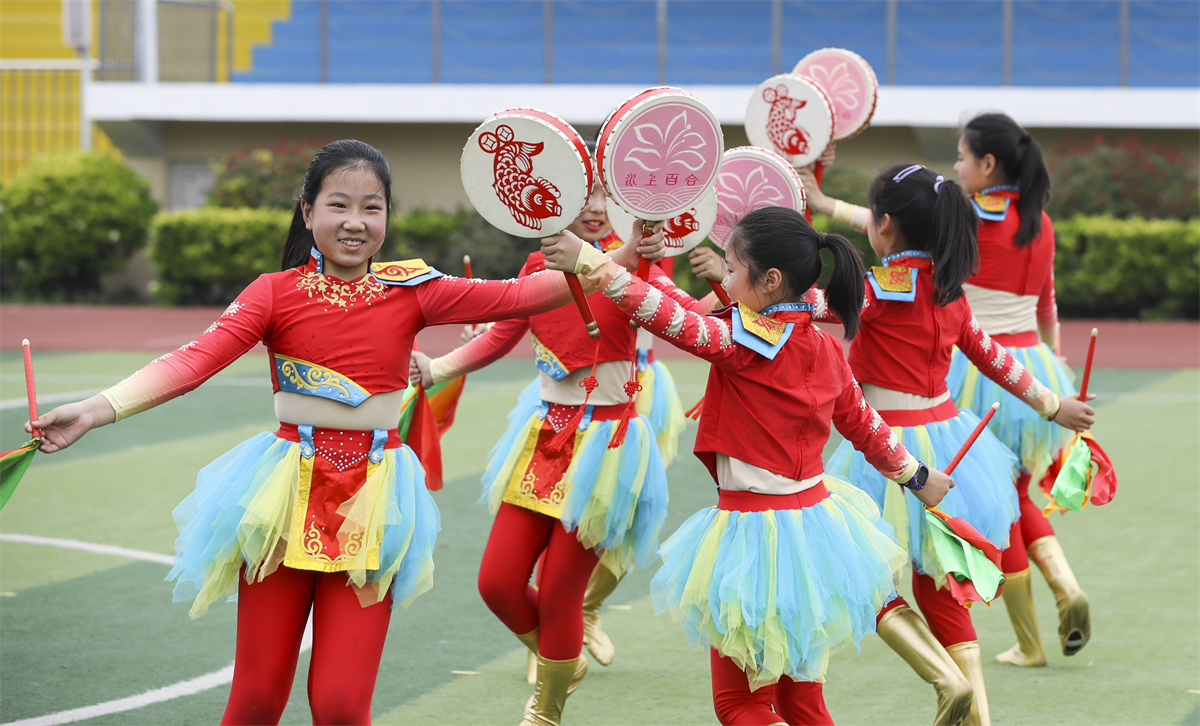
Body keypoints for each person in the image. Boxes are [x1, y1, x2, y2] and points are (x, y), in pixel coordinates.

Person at [23, 139, 637, 726]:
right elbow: (193, 360)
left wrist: (622, 255)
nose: (355, 221)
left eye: (372, 207)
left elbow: (524, 295)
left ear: (388, 217)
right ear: (308, 210)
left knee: (342, 707)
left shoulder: (415, 290)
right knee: (256, 702)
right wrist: (97, 409)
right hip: (283, 503)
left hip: (371, 509)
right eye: (338, 204)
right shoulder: (273, 293)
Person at [544, 205, 956, 726]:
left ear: (771, 280)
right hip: (817, 533)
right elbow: (867, 426)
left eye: (733, 270)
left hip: (754, 538)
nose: (724, 279)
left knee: (740, 704)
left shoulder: (744, 341)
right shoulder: (822, 347)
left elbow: (666, 318)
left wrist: (595, 264)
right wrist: (919, 477)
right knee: (802, 704)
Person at [795, 163, 1094, 726]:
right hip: (952, 447)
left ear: (883, 226)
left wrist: (743, 276)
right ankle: (976, 713)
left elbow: (799, 304)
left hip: (887, 451)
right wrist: (1055, 405)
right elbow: (996, 359)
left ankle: (945, 680)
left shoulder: (878, 289)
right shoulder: (950, 293)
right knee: (939, 587)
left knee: (866, 579)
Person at [411, 178, 677, 725]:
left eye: (605, 198)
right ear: (548, 204)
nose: (598, 209)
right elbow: (499, 335)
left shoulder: (631, 265)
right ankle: (564, 659)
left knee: (559, 594)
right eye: (583, 199)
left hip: (606, 445)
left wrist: (707, 281)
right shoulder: (536, 268)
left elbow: (687, 316)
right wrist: (435, 368)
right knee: (497, 583)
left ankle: (547, 710)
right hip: (543, 438)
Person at [947, 113, 1094, 667]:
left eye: (961, 158)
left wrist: (825, 202)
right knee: (1019, 493)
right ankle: (1065, 587)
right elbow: (1047, 306)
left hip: (982, 373)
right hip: (1037, 369)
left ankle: (1031, 643)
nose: (957, 168)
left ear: (987, 165)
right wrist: (1057, 368)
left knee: (1004, 503)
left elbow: (891, 223)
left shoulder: (971, 213)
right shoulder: (1040, 219)